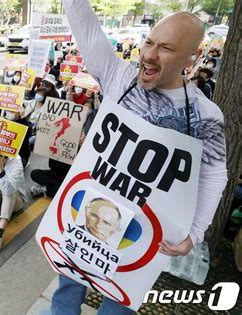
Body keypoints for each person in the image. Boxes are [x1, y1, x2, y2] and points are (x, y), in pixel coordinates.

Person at [48, 1, 228, 314]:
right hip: (88, 217)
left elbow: (214, 175)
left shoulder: (205, 115)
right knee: (67, 289)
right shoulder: (118, 76)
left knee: (119, 304)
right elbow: (86, 28)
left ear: (193, 58)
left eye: (166, 48)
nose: (149, 55)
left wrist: (194, 233)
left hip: (141, 234)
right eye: (148, 42)